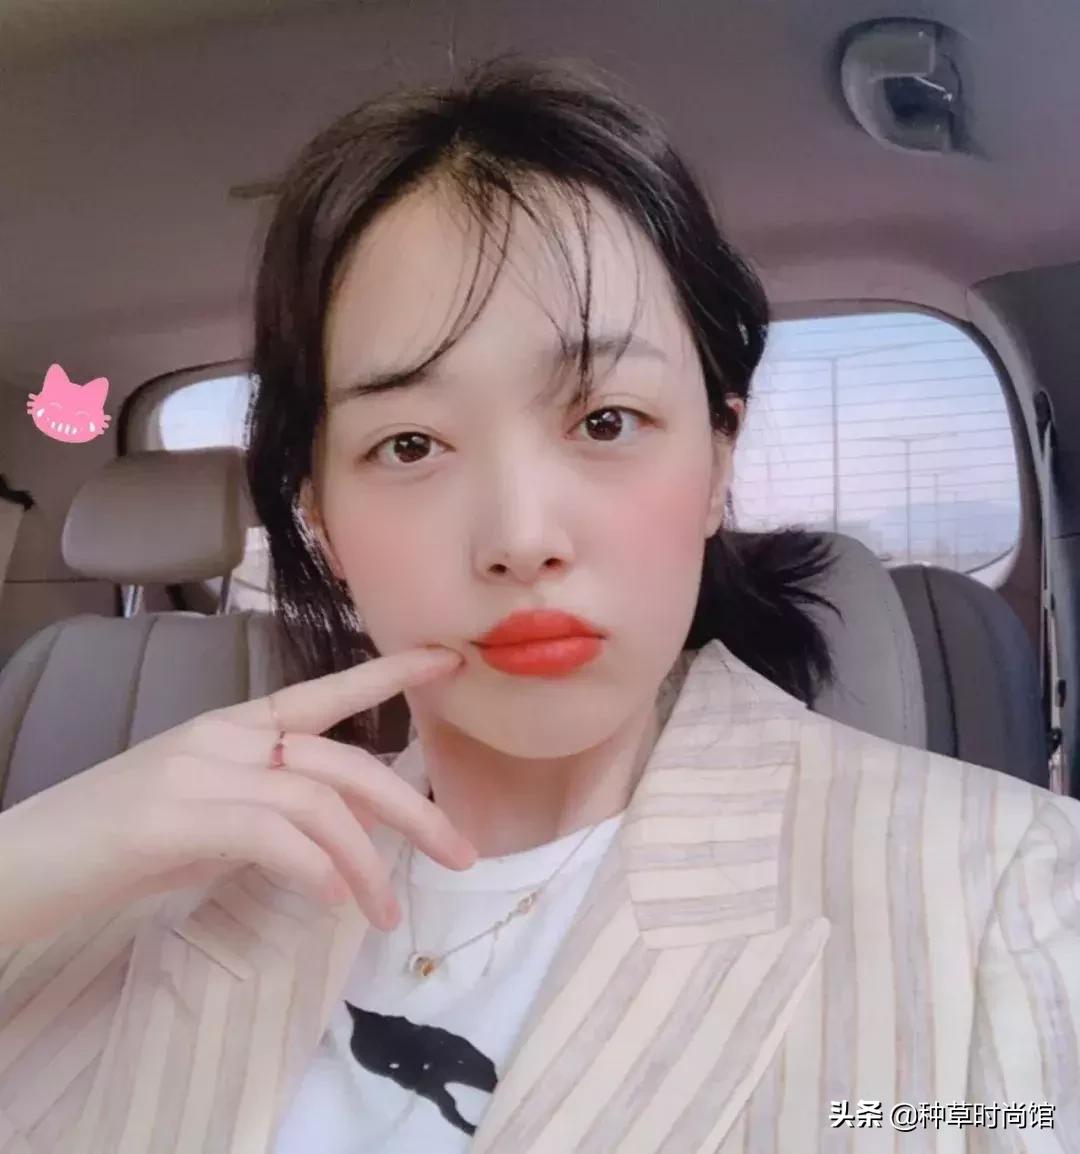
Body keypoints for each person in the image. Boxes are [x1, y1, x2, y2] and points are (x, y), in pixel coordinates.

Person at [0, 53, 1078, 1154]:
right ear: (319, 517)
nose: (520, 537)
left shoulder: (1013, 898)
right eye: (409, 444)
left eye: (606, 420)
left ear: (717, 458)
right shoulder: (143, 899)